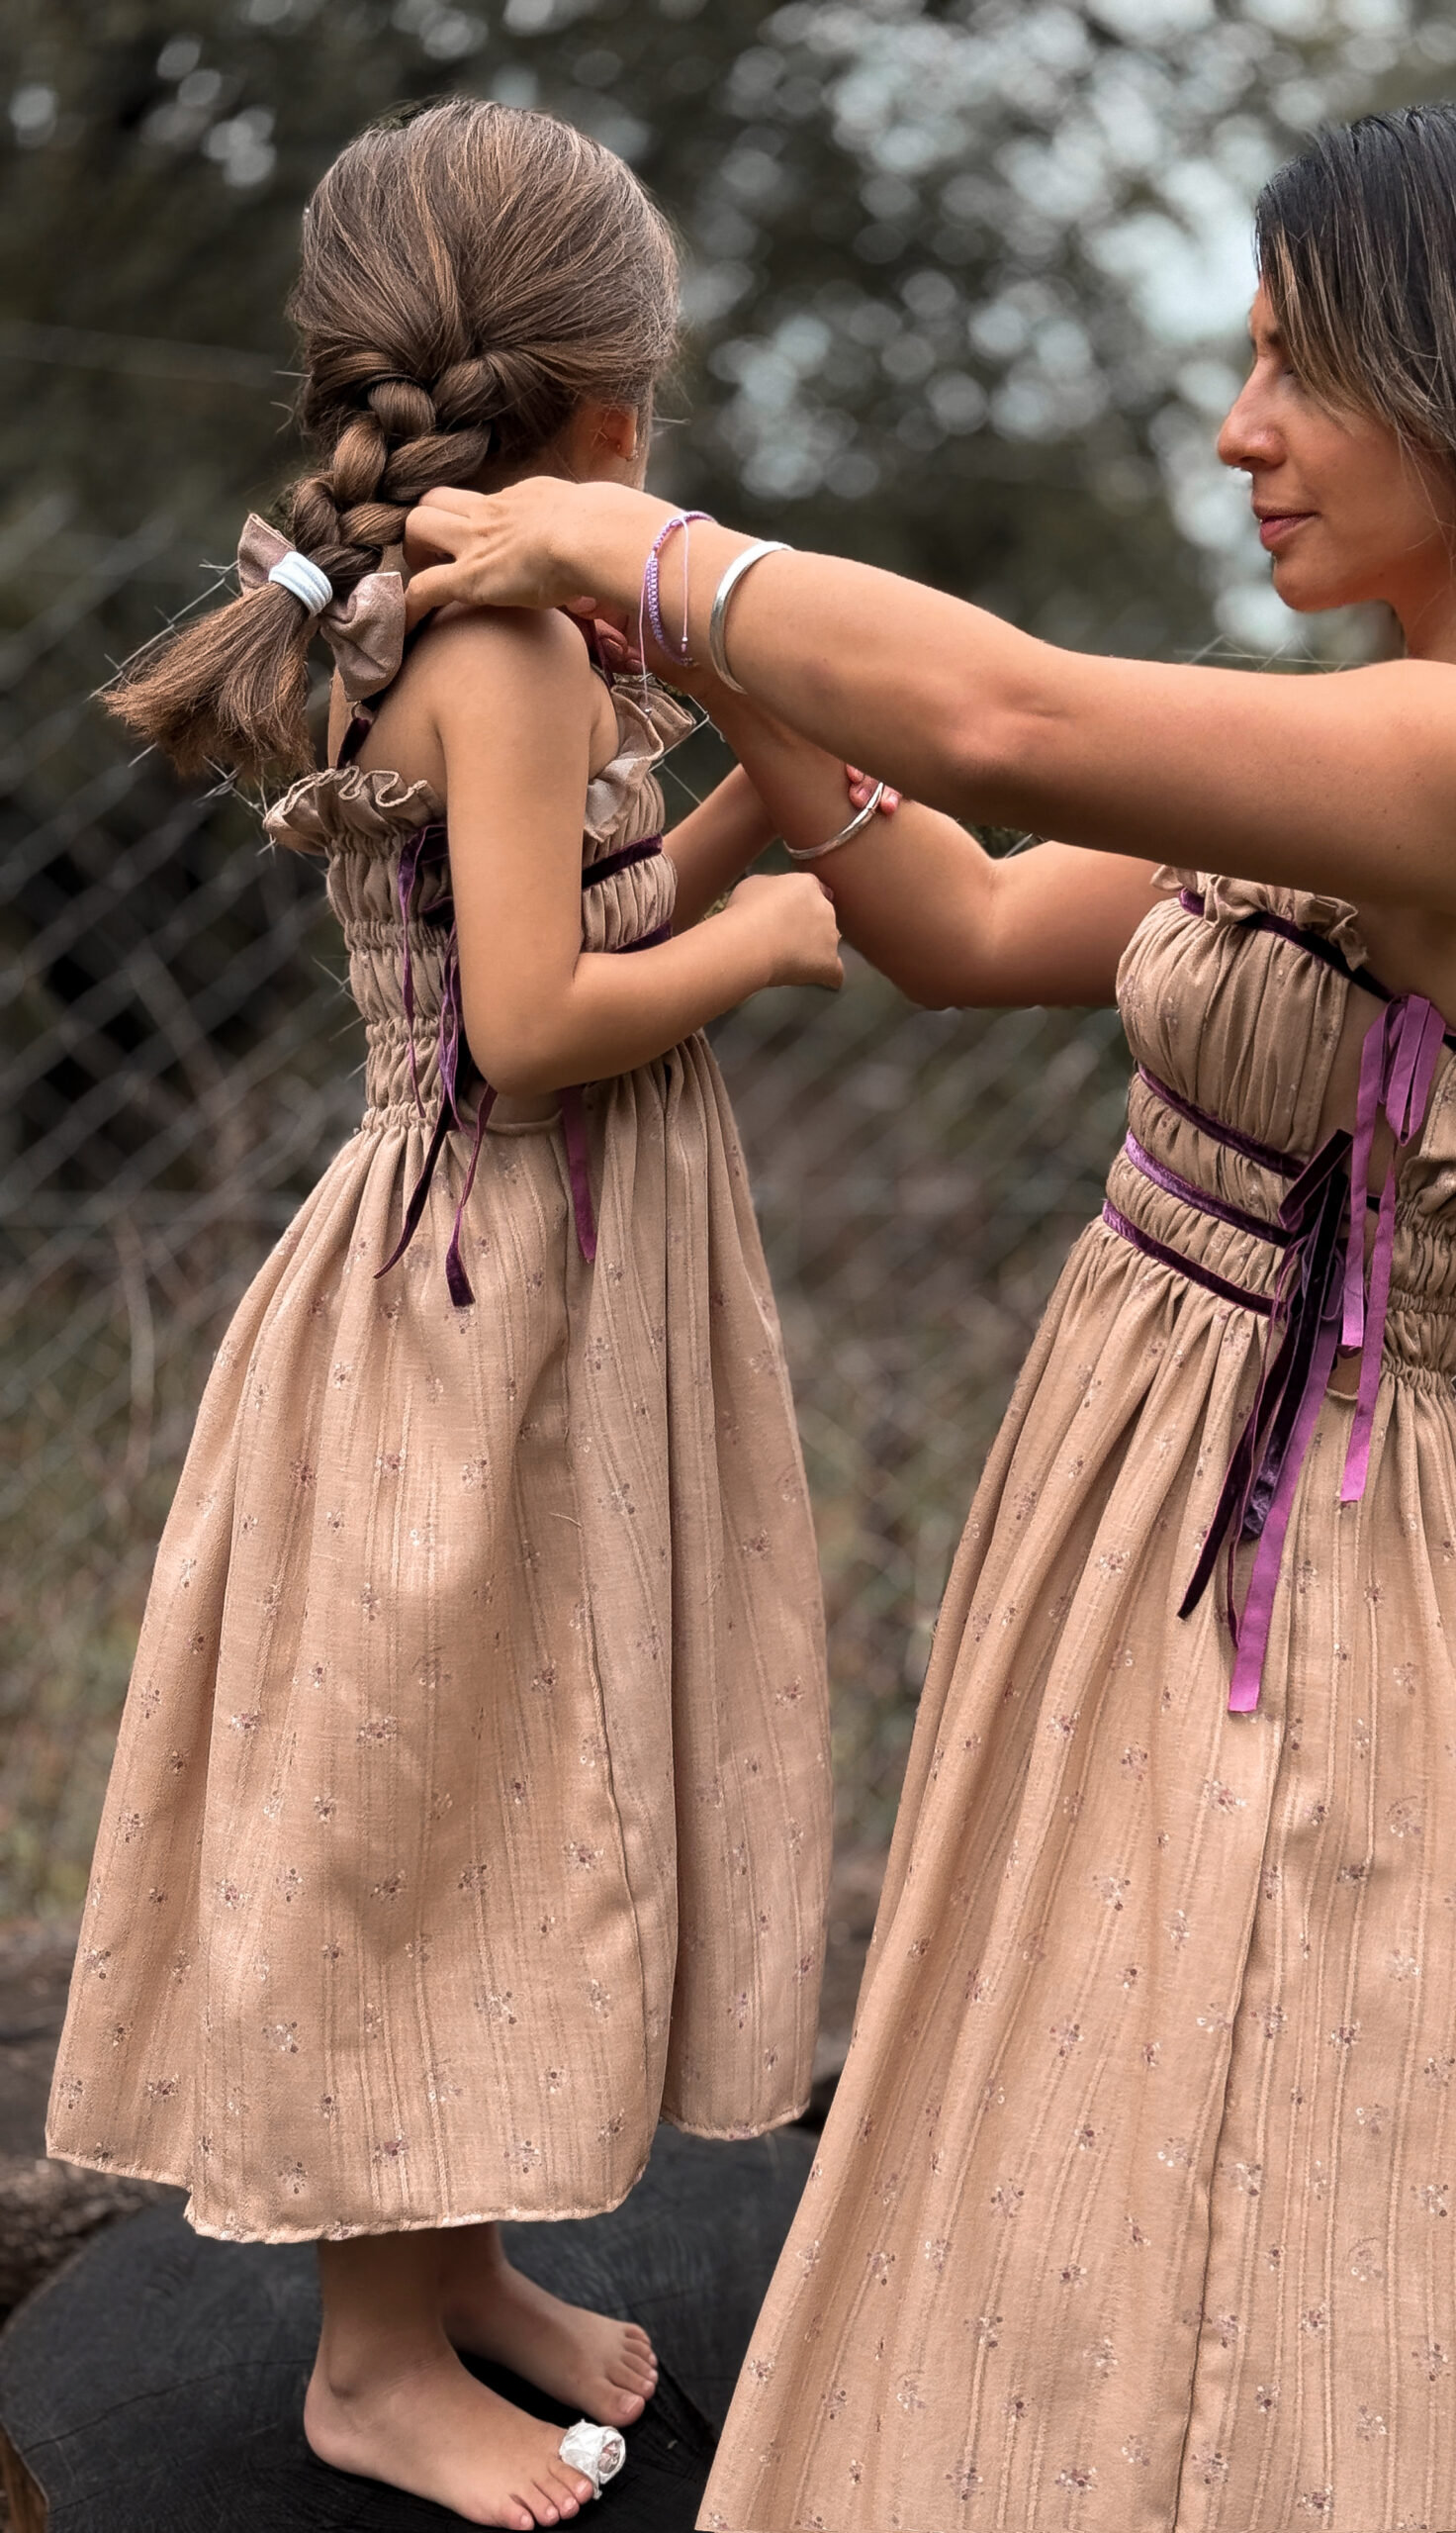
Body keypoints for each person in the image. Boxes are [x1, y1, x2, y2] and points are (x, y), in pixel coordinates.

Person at [406, 102, 1456, 2533]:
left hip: (1277, 1584)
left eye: (1299, 368)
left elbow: (1009, 720)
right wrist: (733, 683)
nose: (1240, 432)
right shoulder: (1355, 743)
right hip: (1127, 1503)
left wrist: (638, 542)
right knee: (1079, 2119)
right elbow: (963, 917)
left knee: (1214, 2173)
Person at [46, 101, 865, 2532]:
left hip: (550, 1290)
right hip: (483, 1300)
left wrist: (742, 809)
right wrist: (773, 933)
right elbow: (528, 1020)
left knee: (517, 1776)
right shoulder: (495, 645)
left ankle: (467, 2259)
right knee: (432, 1797)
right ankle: (371, 2359)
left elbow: (577, 907)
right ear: (609, 403)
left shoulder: (476, 619)